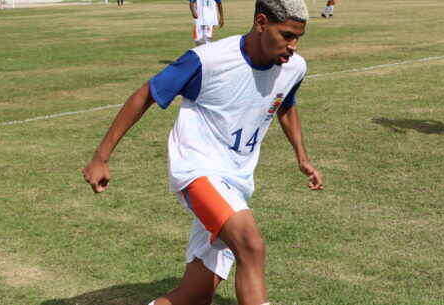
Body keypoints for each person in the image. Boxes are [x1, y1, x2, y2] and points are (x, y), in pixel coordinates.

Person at [82, 1, 322, 304]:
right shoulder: (206, 60)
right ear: (261, 23)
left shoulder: (293, 68)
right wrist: (101, 157)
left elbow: (285, 105)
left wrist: (302, 157)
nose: (293, 46)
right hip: (197, 169)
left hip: (236, 182)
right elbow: (146, 94)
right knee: (250, 245)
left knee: (195, 295)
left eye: (298, 37)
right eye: (287, 35)